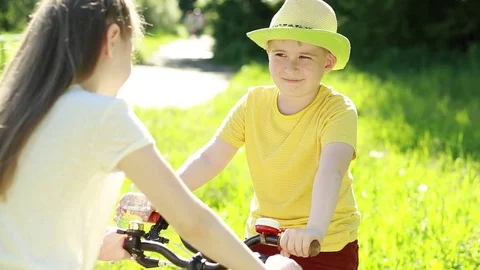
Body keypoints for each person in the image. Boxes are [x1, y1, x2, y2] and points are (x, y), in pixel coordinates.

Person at [0, 1, 301, 269]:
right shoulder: (101, 114)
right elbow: (193, 222)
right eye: (131, 53)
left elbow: (30, 218)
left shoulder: (17, 110)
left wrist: (99, 241)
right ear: (113, 38)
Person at [122, 0, 360, 269]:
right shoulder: (253, 103)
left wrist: (315, 229)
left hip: (323, 244)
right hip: (263, 237)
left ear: (327, 62)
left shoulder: (338, 110)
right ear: (268, 54)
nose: (290, 66)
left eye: (304, 57)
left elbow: (331, 170)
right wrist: (165, 194)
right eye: (280, 54)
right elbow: (211, 158)